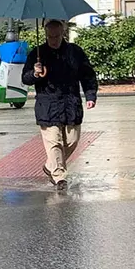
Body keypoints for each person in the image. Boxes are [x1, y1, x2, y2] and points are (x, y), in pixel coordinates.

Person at [21, 19, 99, 191]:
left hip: (71, 104)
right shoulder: (37, 54)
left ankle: (50, 166)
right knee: (54, 142)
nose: (54, 40)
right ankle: (59, 177)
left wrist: (90, 95)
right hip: (48, 105)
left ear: (63, 33)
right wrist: (35, 73)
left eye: (56, 36)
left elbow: (87, 75)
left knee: (72, 141)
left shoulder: (75, 52)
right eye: (50, 36)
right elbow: (25, 78)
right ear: (46, 35)